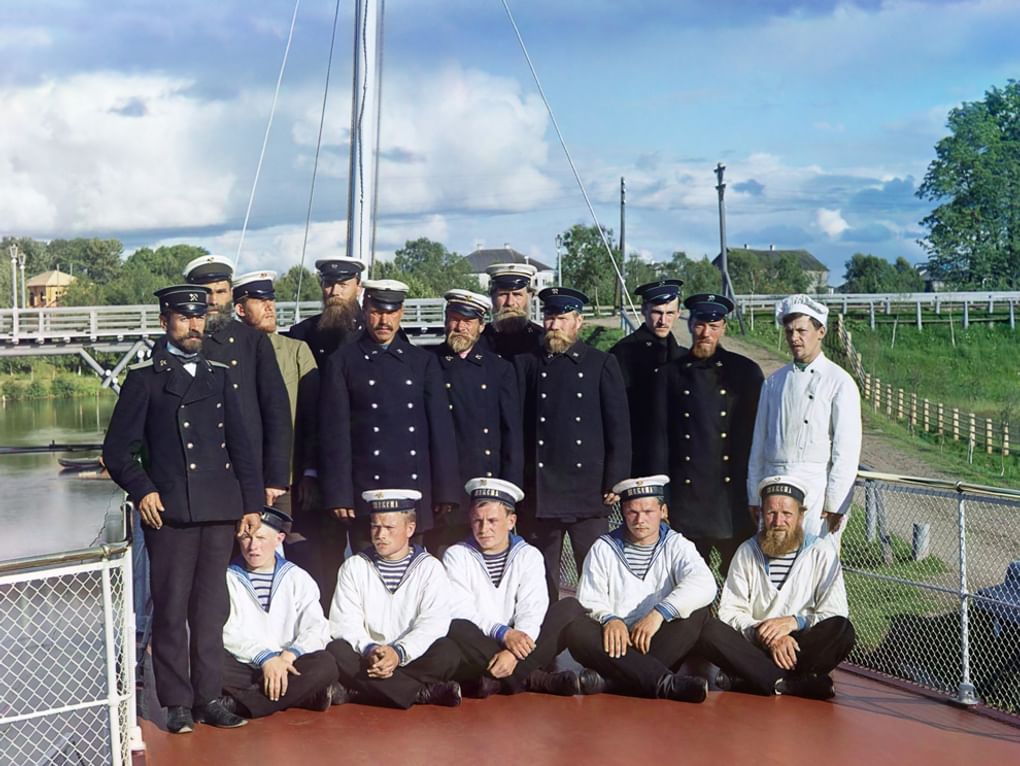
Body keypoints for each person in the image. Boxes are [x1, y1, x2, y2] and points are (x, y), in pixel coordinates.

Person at [103, 285, 263, 734]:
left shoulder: (221, 374)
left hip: (218, 508)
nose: (194, 325)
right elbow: (117, 451)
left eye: (199, 317)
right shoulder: (144, 379)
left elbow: (244, 447)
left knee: (210, 610)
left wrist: (251, 505)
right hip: (169, 513)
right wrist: (144, 490)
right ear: (164, 323)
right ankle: (176, 702)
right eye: (184, 317)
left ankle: (210, 697)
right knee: (171, 610)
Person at [318, 279, 460, 552]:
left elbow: (440, 431)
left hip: (413, 488)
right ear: (365, 309)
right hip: (366, 490)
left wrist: (446, 490)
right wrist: (339, 495)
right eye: (377, 311)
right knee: (368, 570)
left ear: (401, 312)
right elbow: (335, 434)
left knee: (415, 568)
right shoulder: (343, 362)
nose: (384, 320)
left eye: (391, 312)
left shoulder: (422, 362)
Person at [515, 286, 631, 599]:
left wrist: (615, 479)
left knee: (597, 576)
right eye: (550, 317)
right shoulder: (526, 364)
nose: (554, 325)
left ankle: (599, 640)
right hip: (541, 493)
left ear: (577, 322)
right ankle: (545, 643)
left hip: (589, 492)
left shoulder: (600, 364)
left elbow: (618, 428)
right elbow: (516, 429)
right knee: (542, 580)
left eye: (562, 318)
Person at [696, 476, 856, 700]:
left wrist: (794, 622)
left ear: (801, 516)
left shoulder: (821, 552)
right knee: (708, 630)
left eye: (787, 514)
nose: (778, 521)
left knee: (842, 629)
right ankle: (793, 684)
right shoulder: (747, 552)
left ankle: (756, 679)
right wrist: (766, 635)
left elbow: (836, 611)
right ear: (761, 514)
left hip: (800, 648)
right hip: (755, 645)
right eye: (771, 513)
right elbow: (729, 612)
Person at [565, 475, 717, 703]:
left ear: (663, 511)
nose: (640, 520)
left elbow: (704, 583)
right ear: (623, 513)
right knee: (577, 629)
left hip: (655, 640)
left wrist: (659, 614)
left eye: (648, 511)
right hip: (613, 645)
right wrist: (610, 620)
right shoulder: (603, 547)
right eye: (632, 512)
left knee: (697, 612)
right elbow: (589, 597)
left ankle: (613, 682)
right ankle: (665, 682)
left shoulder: (677, 544)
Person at [444, 478, 595, 697]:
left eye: (493, 520)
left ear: (511, 521)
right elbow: (460, 609)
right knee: (456, 625)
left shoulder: (528, 555)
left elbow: (532, 608)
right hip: (479, 642)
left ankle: (496, 681)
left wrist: (513, 653)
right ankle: (536, 678)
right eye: (478, 521)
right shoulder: (456, 555)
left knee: (569, 609)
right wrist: (504, 634)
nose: (484, 528)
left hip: (519, 644)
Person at [233, 271, 331, 601]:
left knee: (303, 554)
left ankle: (313, 633)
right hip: (241, 482)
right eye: (260, 302)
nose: (270, 307)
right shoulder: (230, 353)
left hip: (289, 479)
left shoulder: (296, 351)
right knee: (245, 556)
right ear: (241, 310)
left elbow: (314, 419)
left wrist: (310, 473)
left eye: (272, 300)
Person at [326, 490, 463, 708]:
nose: (380, 534)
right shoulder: (354, 566)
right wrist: (370, 649)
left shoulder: (430, 568)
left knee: (448, 652)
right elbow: (344, 622)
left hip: (410, 655)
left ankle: (359, 691)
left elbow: (433, 622)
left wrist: (399, 652)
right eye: (375, 526)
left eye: (389, 528)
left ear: (410, 528)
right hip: (367, 655)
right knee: (336, 651)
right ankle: (419, 693)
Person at [661, 293, 763, 575]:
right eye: (700, 325)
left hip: (732, 501)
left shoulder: (745, 373)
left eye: (714, 326)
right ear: (690, 324)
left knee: (739, 578)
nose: (706, 333)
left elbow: (757, 438)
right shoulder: (671, 374)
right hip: (687, 501)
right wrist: (663, 495)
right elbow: (661, 440)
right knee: (688, 580)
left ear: (724, 328)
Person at [747, 294, 862, 542]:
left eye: (802, 330)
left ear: (820, 332)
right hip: (774, 484)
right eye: (789, 331)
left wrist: (836, 502)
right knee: (772, 556)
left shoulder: (839, 382)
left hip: (816, 490)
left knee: (815, 560)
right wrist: (754, 494)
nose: (795, 338)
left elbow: (847, 450)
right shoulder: (774, 382)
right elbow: (759, 442)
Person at [182, 254, 292, 510]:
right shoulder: (177, 345)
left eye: (220, 292)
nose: (213, 300)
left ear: (230, 294)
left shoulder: (252, 342)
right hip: (194, 475)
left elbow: (276, 411)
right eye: (205, 292)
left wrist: (275, 477)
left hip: (247, 473)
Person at [221, 506, 340, 718]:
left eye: (261, 538)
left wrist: (288, 657)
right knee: (208, 664)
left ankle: (240, 705)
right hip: (248, 663)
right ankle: (301, 696)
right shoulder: (227, 577)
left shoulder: (297, 577)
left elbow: (316, 626)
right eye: (246, 538)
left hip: (289, 663)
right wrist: (265, 659)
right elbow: (227, 631)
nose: (253, 546)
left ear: (279, 539)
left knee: (326, 664)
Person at [428, 289, 522, 554]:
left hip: (487, 486)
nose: (460, 327)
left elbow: (511, 434)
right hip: (444, 490)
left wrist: (510, 493)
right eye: (455, 319)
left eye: (468, 322)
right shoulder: (428, 363)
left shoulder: (499, 369)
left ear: (481, 326)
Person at [609, 279, 685, 475]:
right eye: (657, 312)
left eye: (669, 314)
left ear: (679, 314)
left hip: (677, 459)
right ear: (644, 310)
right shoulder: (622, 353)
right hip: (640, 457)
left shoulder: (684, 357)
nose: (663, 321)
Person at [285, 257, 365, 366]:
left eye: (343, 285)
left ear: (359, 288)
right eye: (329, 284)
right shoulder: (301, 334)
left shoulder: (371, 331)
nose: (334, 292)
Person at [478, 262, 544, 359]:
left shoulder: (541, 340)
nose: (510, 302)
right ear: (492, 297)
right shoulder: (479, 340)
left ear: (530, 297)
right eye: (503, 294)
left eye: (517, 295)